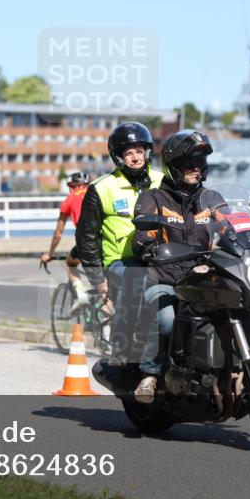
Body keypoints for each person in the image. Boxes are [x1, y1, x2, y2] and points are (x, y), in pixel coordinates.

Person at [131, 129, 230, 403]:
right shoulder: (154, 198)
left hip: (205, 281)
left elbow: (230, 225)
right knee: (167, 319)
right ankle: (150, 375)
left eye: (200, 163)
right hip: (166, 280)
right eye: (189, 164)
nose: (196, 169)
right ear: (173, 166)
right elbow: (142, 238)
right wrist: (151, 247)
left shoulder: (211, 199)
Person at [76, 122, 163, 357]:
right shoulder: (102, 188)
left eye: (139, 151)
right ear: (118, 157)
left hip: (161, 257)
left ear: (147, 152)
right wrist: (97, 279)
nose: (135, 158)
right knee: (138, 277)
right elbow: (87, 237)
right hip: (122, 261)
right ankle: (122, 349)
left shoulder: (162, 181)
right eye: (128, 153)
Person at [40, 171, 91, 310]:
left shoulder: (69, 200)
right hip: (105, 238)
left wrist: (49, 254)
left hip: (86, 240)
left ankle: (81, 295)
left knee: (70, 263)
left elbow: (58, 233)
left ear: (72, 186)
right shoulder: (96, 193)